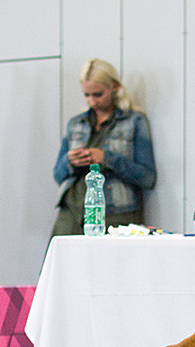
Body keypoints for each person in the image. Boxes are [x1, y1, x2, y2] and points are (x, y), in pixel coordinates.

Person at [51, 59, 156, 237]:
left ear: (114, 86)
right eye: (86, 95)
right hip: (72, 212)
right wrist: (70, 161)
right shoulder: (76, 124)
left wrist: (106, 159)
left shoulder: (135, 121)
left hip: (114, 214)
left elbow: (148, 177)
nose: (92, 101)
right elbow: (57, 175)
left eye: (98, 94)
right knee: (63, 263)